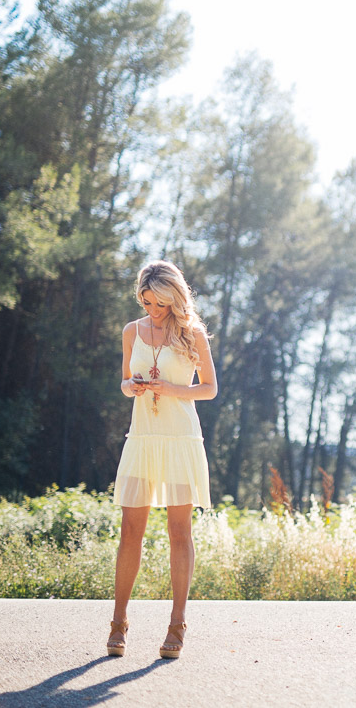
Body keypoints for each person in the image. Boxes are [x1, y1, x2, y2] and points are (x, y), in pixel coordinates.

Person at [106, 260, 217, 659]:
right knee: (130, 530)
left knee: (178, 531)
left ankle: (177, 624)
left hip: (181, 439)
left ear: (175, 298)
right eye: (147, 302)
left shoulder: (193, 333)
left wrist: (169, 388)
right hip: (143, 438)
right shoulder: (132, 331)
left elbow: (209, 390)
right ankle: (119, 622)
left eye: (161, 304)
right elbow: (122, 380)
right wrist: (131, 386)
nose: (153, 310)